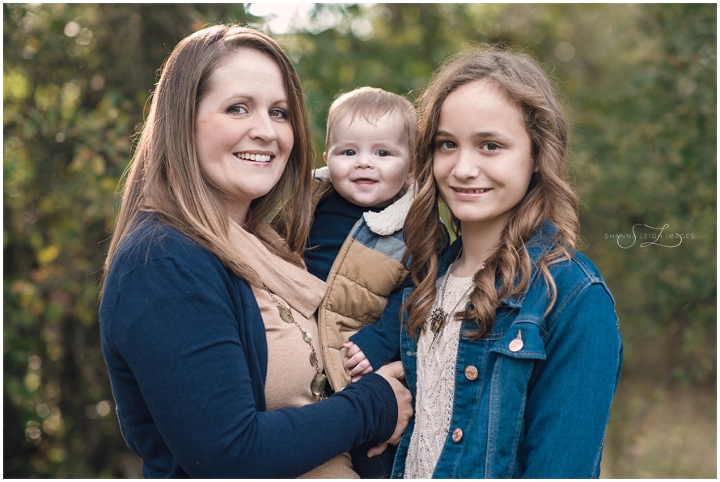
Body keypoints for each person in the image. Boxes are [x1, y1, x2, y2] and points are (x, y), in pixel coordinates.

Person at [98, 24, 412, 479]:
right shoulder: (163, 261)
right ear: (183, 119)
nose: (265, 131)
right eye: (237, 108)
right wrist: (375, 405)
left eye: (280, 112)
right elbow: (229, 453)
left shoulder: (271, 243)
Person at [391, 47, 623, 478]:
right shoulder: (421, 278)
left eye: (490, 145)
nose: (463, 168)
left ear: (537, 155)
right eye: (447, 144)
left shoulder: (573, 299)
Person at [274, 87, 445, 478]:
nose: (364, 164)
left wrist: (380, 341)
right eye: (348, 152)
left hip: (359, 363)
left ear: (413, 166)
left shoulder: (416, 228)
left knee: (373, 459)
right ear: (327, 157)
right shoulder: (307, 202)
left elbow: (422, 295)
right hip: (300, 357)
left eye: (383, 153)